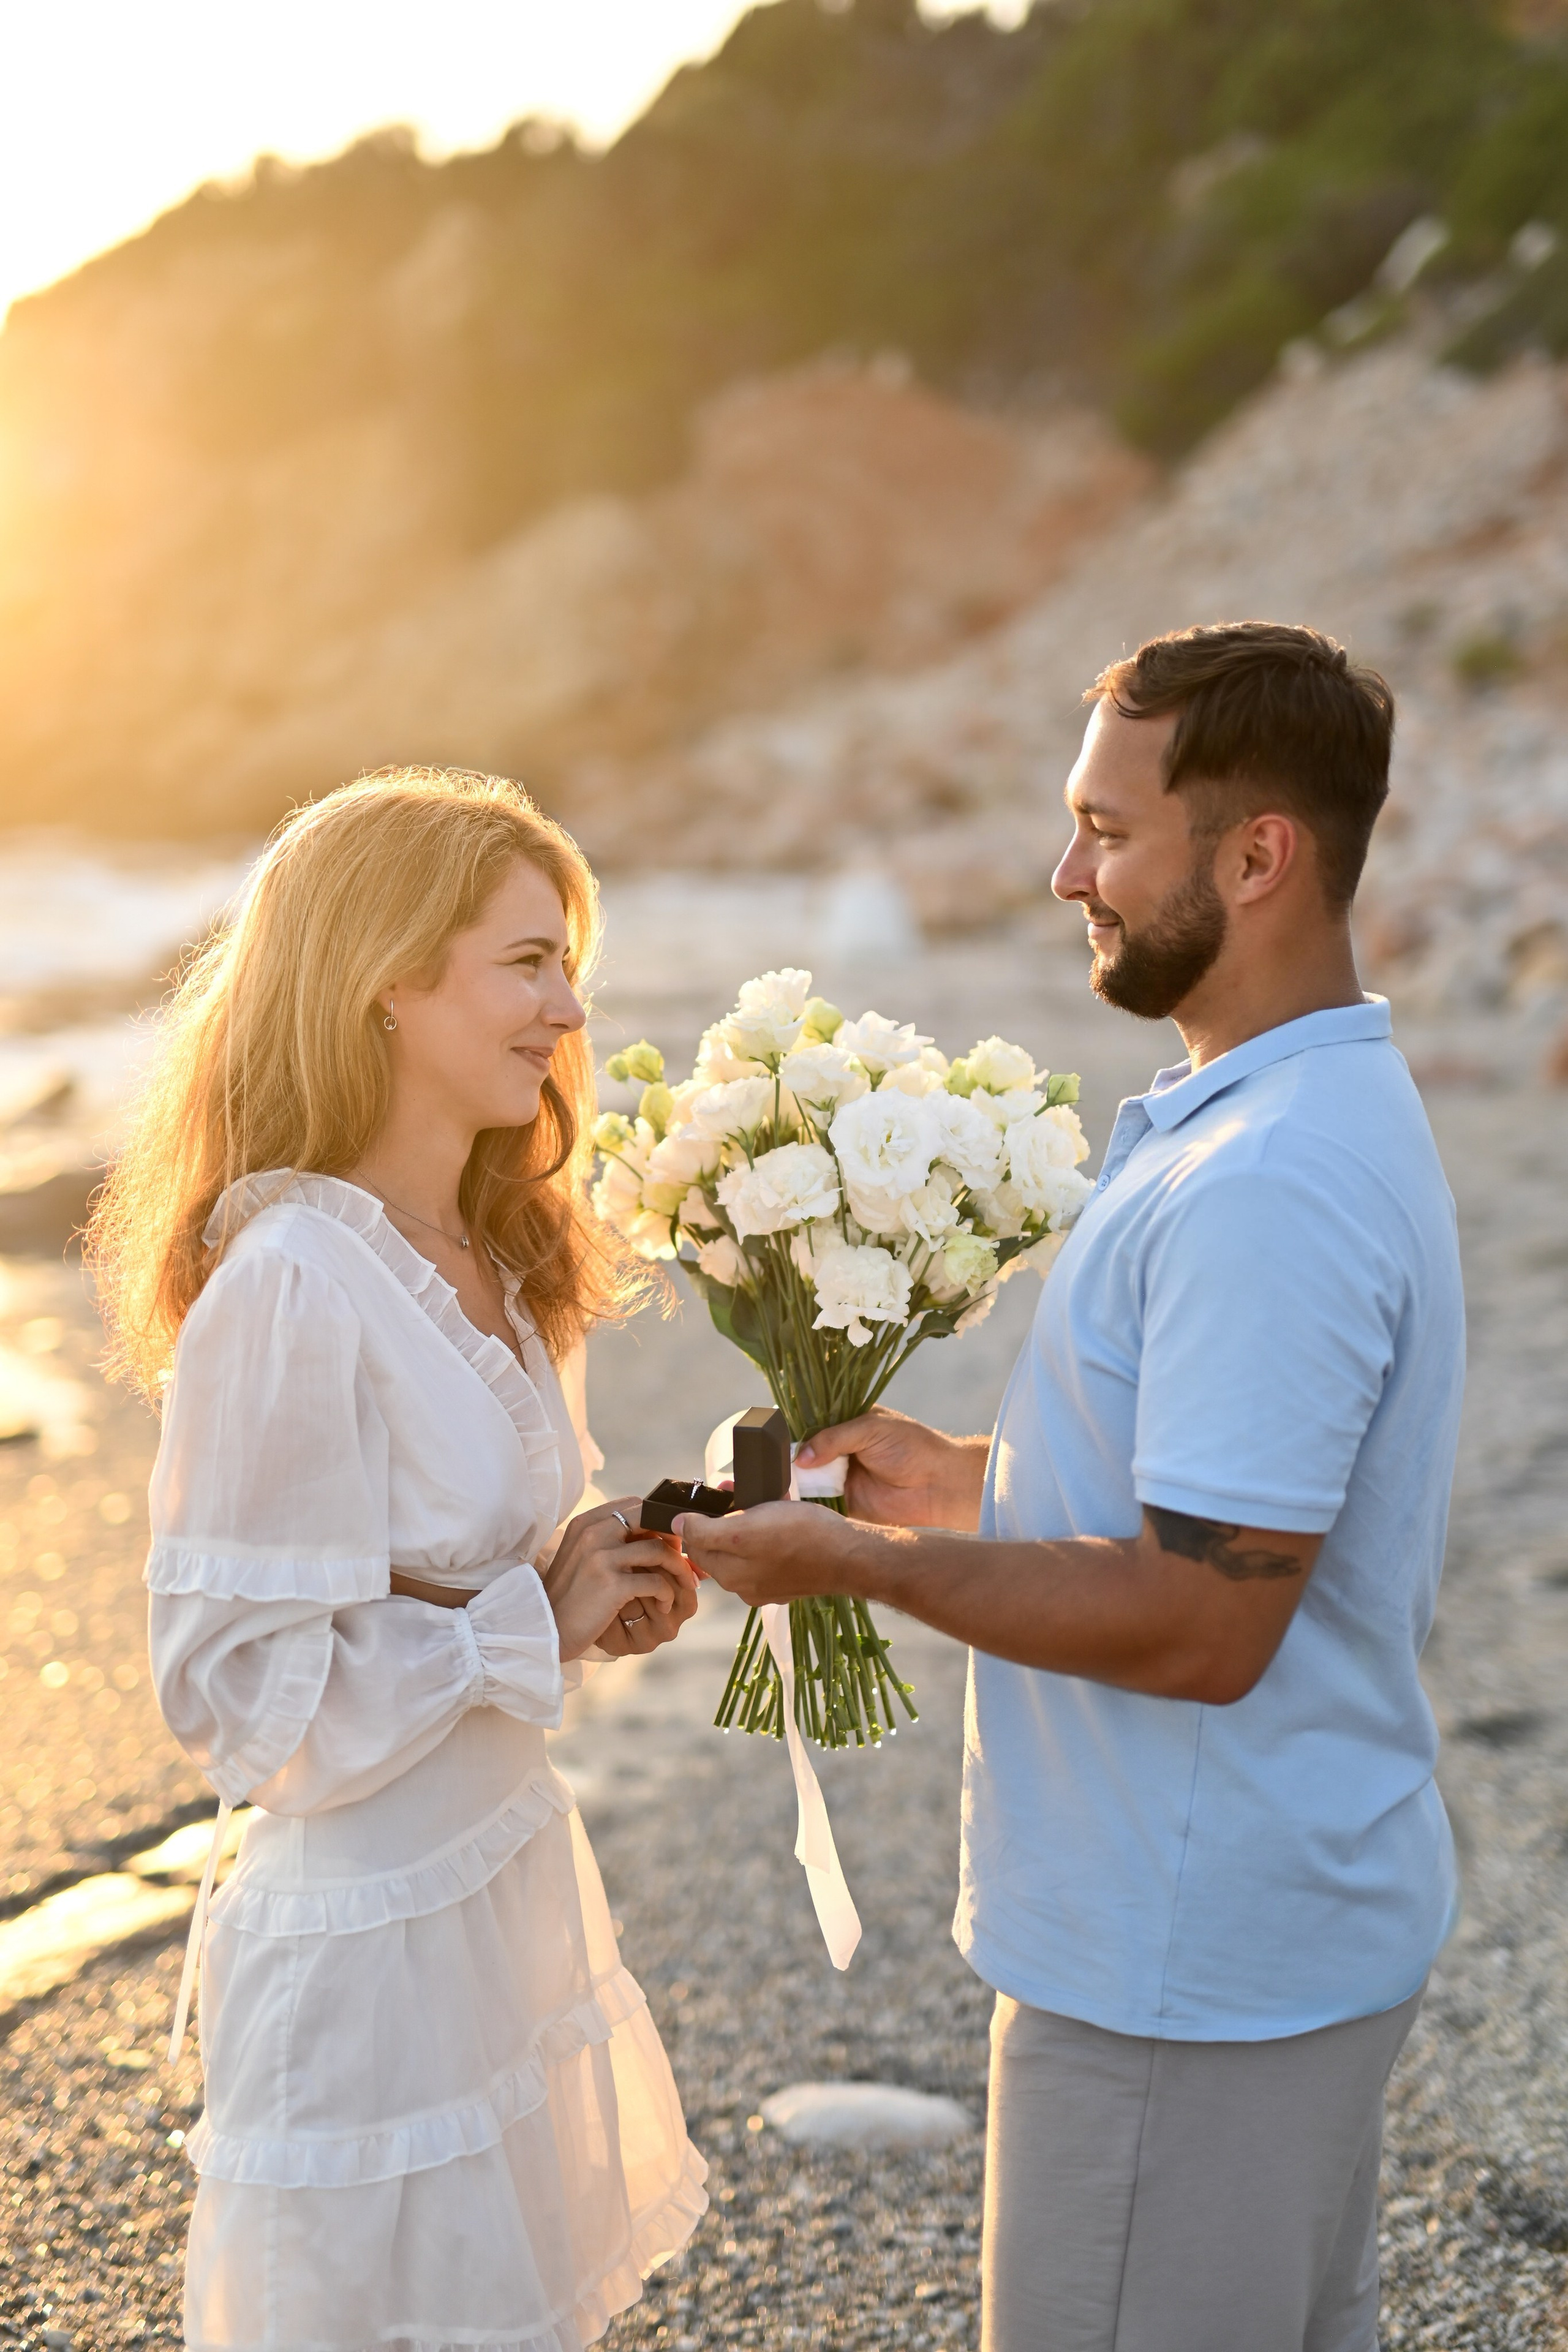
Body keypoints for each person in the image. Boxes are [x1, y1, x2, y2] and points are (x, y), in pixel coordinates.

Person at [677, 622, 1465, 2352]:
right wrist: (954, 1485)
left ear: (1260, 855)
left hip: (1189, 1969)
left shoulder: (1272, 1182)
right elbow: (1214, 1514)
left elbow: (1201, 1623)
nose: (1065, 874)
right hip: (1259, 1932)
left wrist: (853, 1575)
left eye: (1109, 833)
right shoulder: (1254, 1111)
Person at [89, 770, 707, 2351]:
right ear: (385, 972)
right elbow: (239, 1697)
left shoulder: (499, 1259)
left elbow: (456, 1574)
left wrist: (591, 1576)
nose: (568, 1009)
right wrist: (526, 1623)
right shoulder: (293, 1278)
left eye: (568, 964)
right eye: (526, 962)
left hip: (499, 1886)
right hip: (366, 1953)